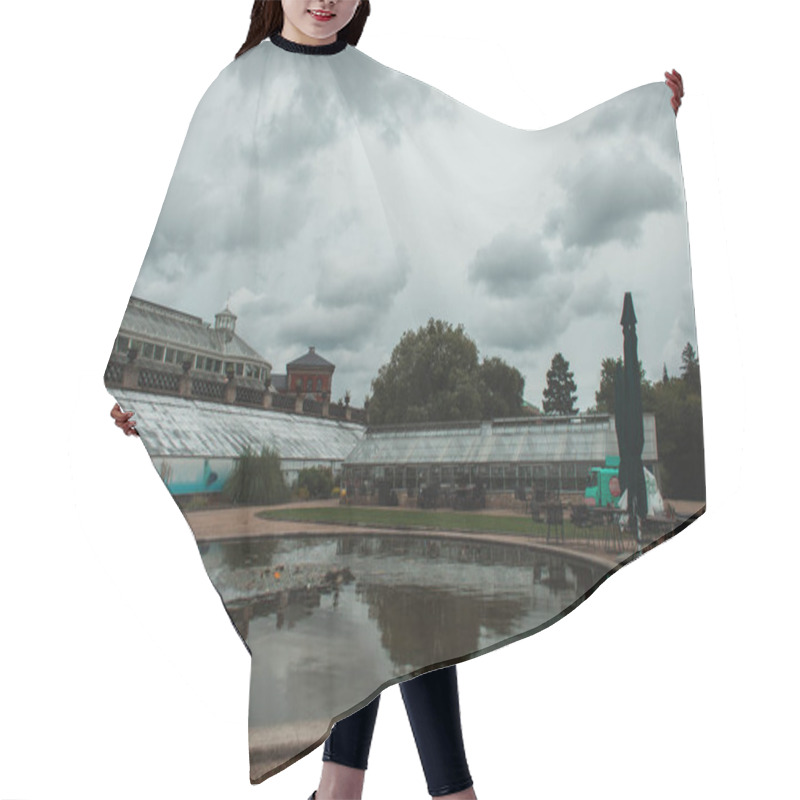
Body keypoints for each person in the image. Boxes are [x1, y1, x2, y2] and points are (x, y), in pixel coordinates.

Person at [110, 2, 685, 798]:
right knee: (385, 604)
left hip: (377, 340)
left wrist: (633, 134)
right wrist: (135, 387)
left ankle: (353, 791)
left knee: (396, 602)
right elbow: (196, 246)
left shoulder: (378, 91)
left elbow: (486, 166)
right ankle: (421, 793)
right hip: (293, 330)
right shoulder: (235, 92)